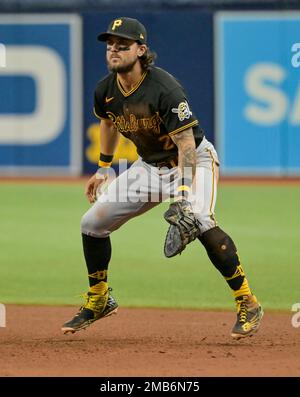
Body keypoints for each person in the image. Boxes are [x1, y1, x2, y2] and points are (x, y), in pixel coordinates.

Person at [61, 17, 263, 339]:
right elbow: (109, 123)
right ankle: (99, 299)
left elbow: (185, 144)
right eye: (110, 45)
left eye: (122, 45)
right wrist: (103, 168)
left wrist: (183, 193)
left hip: (193, 161)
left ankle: (247, 302)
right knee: (92, 224)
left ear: (141, 50)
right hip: (150, 166)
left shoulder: (164, 88)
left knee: (199, 219)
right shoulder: (106, 90)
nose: (114, 50)